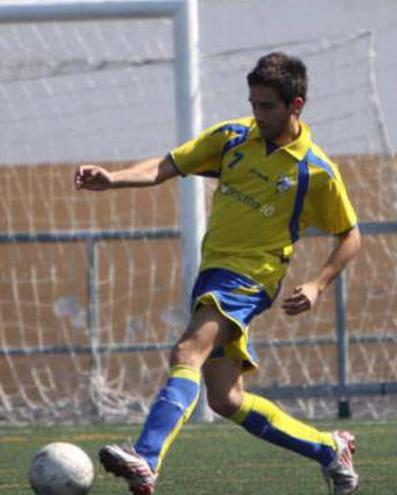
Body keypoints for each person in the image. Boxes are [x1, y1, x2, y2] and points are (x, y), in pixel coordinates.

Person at [75, 52, 362, 495]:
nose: (257, 114)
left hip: (251, 278)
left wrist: (317, 283)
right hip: (214, 273)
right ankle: (329, 449)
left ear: (296, 106)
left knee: (186, 351)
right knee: (226, 399)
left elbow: (350, 235)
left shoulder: (316, 171)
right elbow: (166, 166)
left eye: (267, 106)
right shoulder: (232, 139)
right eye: (253, 104)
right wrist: (112, 178)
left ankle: (146, 457)